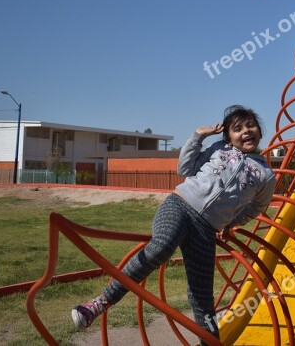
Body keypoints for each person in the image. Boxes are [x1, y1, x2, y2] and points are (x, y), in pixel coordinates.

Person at [71, 106, 277, 343]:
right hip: (179, 205)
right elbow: (184, 169)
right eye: (237, 128)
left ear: (260, 131)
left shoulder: (265, 174)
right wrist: (198, 136)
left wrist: (231, 221)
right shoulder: (218, 149)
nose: (245, 131)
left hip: (206, 229)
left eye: (250, 125)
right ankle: (99, 303)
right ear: (228, 136)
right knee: (162, 246)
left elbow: (257, 207)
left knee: (203, 299)